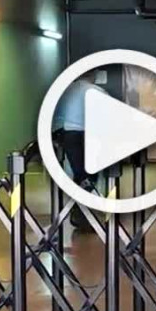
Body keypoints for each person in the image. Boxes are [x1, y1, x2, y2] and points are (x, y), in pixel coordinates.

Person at [52, 72, 107, 229]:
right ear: (93, 76)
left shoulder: (66, 90)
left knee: (79, 174)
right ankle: (82, 214)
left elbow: (57, 114)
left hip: (68, 134)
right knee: (89, 175)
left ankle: (79, 212)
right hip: (88, 136)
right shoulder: (95, 90)